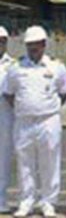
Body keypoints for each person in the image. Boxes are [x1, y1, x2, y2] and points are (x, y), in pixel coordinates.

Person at [2, 25, 66, 218]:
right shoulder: (16, 67)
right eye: (30, 44)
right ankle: (26, 202)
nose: (33, 48)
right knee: (25, 163)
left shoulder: (56, 66)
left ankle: (48, 202)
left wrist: (47, 107)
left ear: (44, 44)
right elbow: (8, 93)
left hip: (48, 120)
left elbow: (64, 92)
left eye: (37, 44)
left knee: (49, 161)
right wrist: (24, 107)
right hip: (23, 121)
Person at [0, 26, 14, 213]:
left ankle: (0, 198)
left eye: (2, 41)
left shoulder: (13, 65)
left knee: (3, 158)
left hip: (5, 113)